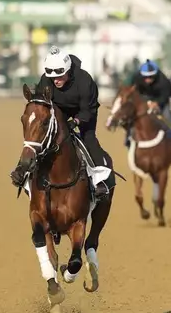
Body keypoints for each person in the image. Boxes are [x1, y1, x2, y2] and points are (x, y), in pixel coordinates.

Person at [37, 45, 115, 201]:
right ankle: (26, 173)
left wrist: (76, 122)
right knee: (39, 138)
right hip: (60, 111)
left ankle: (100, 181)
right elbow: (42, 104)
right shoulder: (46, 80)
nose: (56, 80)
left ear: (68, 70)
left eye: (60, 75)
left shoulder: (84, 80)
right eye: (52, 76)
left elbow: (88, 109)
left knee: (89, 140)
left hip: (85, 112)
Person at [129, 59, 171, 147]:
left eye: (151, 77)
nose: (148, 79)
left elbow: (167, 94)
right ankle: (129, 138)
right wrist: (143, 101)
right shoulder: (136, 78)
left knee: (168, 118)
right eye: (146, 77)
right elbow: (133, 91)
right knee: (131, 119)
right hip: (144, 98)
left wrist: (157, 103)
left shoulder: (163, 81)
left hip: (160, 100)